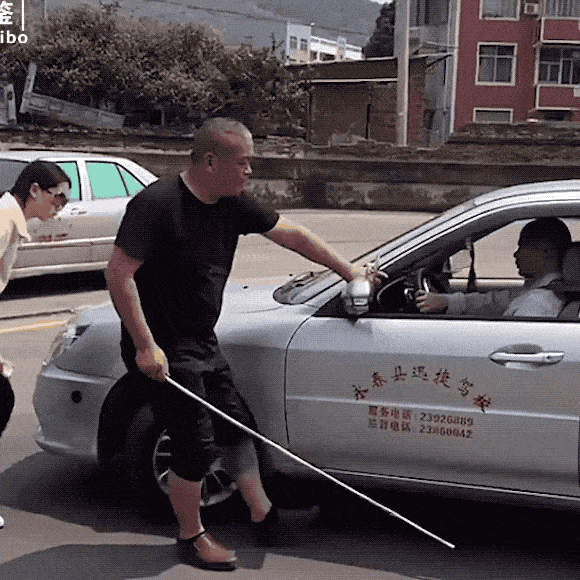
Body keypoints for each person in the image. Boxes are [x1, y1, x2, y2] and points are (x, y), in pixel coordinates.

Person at [106, 117, 372, 572]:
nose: (250, 171)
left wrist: (350, 271)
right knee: (194, 447)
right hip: (163, 346)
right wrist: (144, 346)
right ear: (211, 162)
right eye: (243, 162)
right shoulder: (157, 204)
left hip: (201, 341)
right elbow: (118, 274)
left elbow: (291, 234)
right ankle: (191, 536)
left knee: (236, 425)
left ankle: (261, 511)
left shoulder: (232, 203)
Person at [0, 160, 71, 529]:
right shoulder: (3, 219)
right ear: (34, 190)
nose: (60, 207)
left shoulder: (9, 219)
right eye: (58, 198)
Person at [416, 217, 572, 317]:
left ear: (545, 252)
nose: (516, 254)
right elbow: (495, 301)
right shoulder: (541, 290)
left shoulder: (536, 304)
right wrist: (446, 302)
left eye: (522, 246)